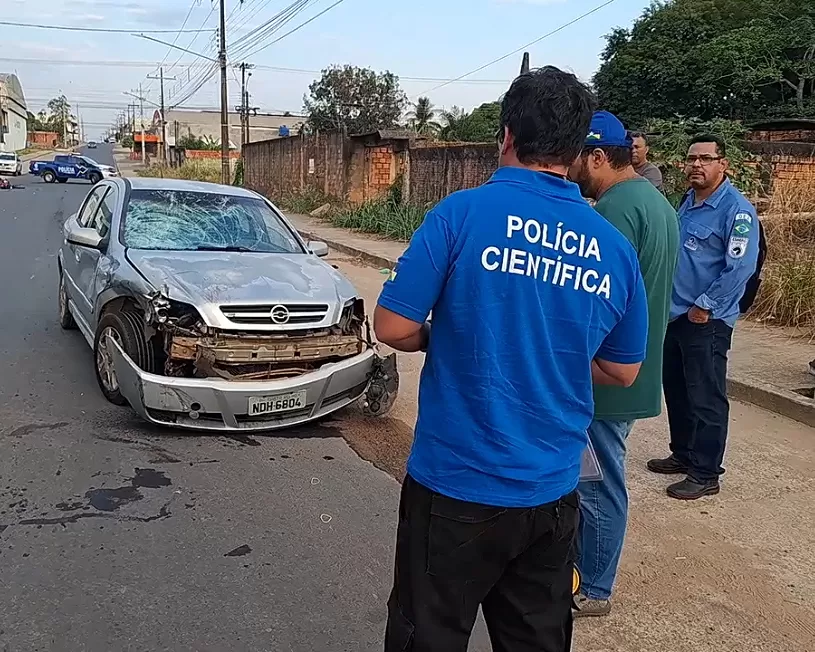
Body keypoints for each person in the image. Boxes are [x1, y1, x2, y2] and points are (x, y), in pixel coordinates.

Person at [374, 67, 649, 652]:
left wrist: (438, 337)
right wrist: (555, 358)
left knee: (428, 636)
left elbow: (392, 326)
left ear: (506, 136)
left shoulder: (460, 215)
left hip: (454, 486)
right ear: (578, 150)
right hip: (552, 491)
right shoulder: (613, 248)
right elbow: (624, 369)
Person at [567, 111, 679, 617]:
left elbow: (595, 304)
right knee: (600, 481)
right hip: (633, 368)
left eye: (576, 157)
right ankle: (585, 573)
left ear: (596, 156)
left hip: (607, 378)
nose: (569, 168)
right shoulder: (656, 203)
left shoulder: (612, 212)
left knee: (596, 486)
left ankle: (593, 588)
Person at [648, 134, 760, 500]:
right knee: (678, 390)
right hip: (675, 314)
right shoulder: (688, 203)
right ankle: (683, 453)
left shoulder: (736, 211)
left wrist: (706, 305)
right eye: (692, 158)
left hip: (705, 320)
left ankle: (706, 472)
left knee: (706, 397)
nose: (697, 165)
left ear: (723, 164)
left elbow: (739, 267)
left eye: (706, 159)